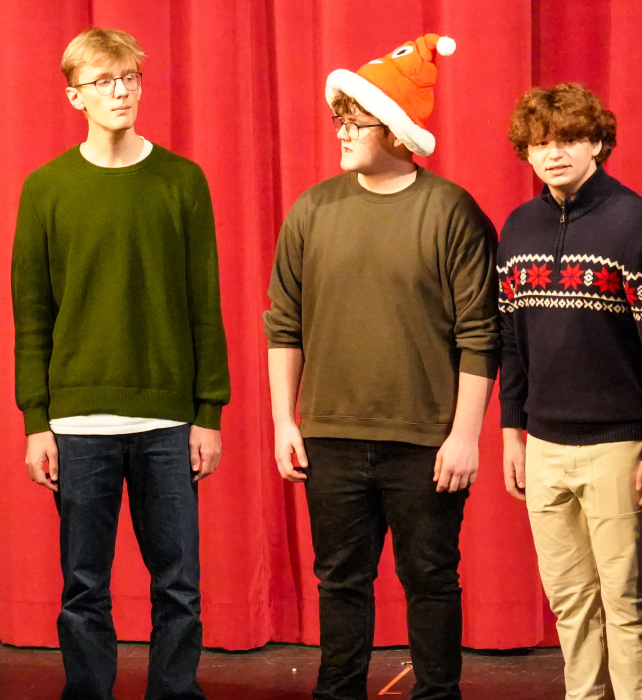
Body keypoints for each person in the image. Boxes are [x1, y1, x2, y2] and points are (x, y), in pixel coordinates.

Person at [265, 34, 492, 700]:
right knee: (340, 582)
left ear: (393, 129)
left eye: (354, 120)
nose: (340, 131)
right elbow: (285, 325)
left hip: (425, 442)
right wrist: (286, 420)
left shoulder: (450, 211)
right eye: (338, 118)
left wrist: (465, 434)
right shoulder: (312, 210)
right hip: (333, 437)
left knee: (430, 580)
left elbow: (482, 333)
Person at [11, 27, 230, 700]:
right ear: (74, 95)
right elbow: (32, 316)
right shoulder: (46, 188)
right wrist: (36, 422)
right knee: (83, 587)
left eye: (129, 78)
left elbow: (204, 303)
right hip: (79, 424)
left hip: (167, 422)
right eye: (104, 82)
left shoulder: (182, 180)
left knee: (179, 585)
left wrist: (208, 413)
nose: (120, 92)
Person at [495, 83, 642, 700]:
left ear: (599, 142)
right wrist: (510, 430)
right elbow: (510, 342)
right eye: (541, 143)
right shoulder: (517, 228)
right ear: (526, 152)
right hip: (543, 445)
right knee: (570, 601)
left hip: (620, 448)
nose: (555, 154)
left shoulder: (635, 222)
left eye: (569, 139)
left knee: (626, 601)